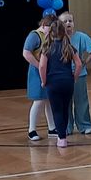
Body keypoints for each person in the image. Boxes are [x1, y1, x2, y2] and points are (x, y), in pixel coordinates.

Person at [38, 18, 83, 149]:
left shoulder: (47, 48)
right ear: (64, 32)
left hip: (53, 83)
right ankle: (63, 135)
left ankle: (62, 138)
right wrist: (74, 77)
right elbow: (79, 64)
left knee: (57, 110)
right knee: (65, 109)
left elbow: (42, 66)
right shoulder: (69, 47)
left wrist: (43, 81)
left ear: (50, 33)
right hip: (67, 82)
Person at [59, 11, 91, 136]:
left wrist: (85, 62)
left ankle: (85, 125)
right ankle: (67, 127)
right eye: (65, 21)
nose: (68, 23)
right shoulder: (58, 39)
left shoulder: (81, 37)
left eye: (70, 21)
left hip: (79, 74)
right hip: (63, 76)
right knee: (65, 102)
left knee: (81, 101)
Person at [22, 13, 56, 141]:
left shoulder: (50, 36)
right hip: (37, 72)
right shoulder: (34, 35)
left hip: (47, 71)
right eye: (50, 29)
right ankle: (31, 130)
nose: (52, 32)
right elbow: (26, 53)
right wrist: (39, 66)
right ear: (44, 25)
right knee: (39, 101)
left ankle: (52, 128)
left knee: (49, 100)